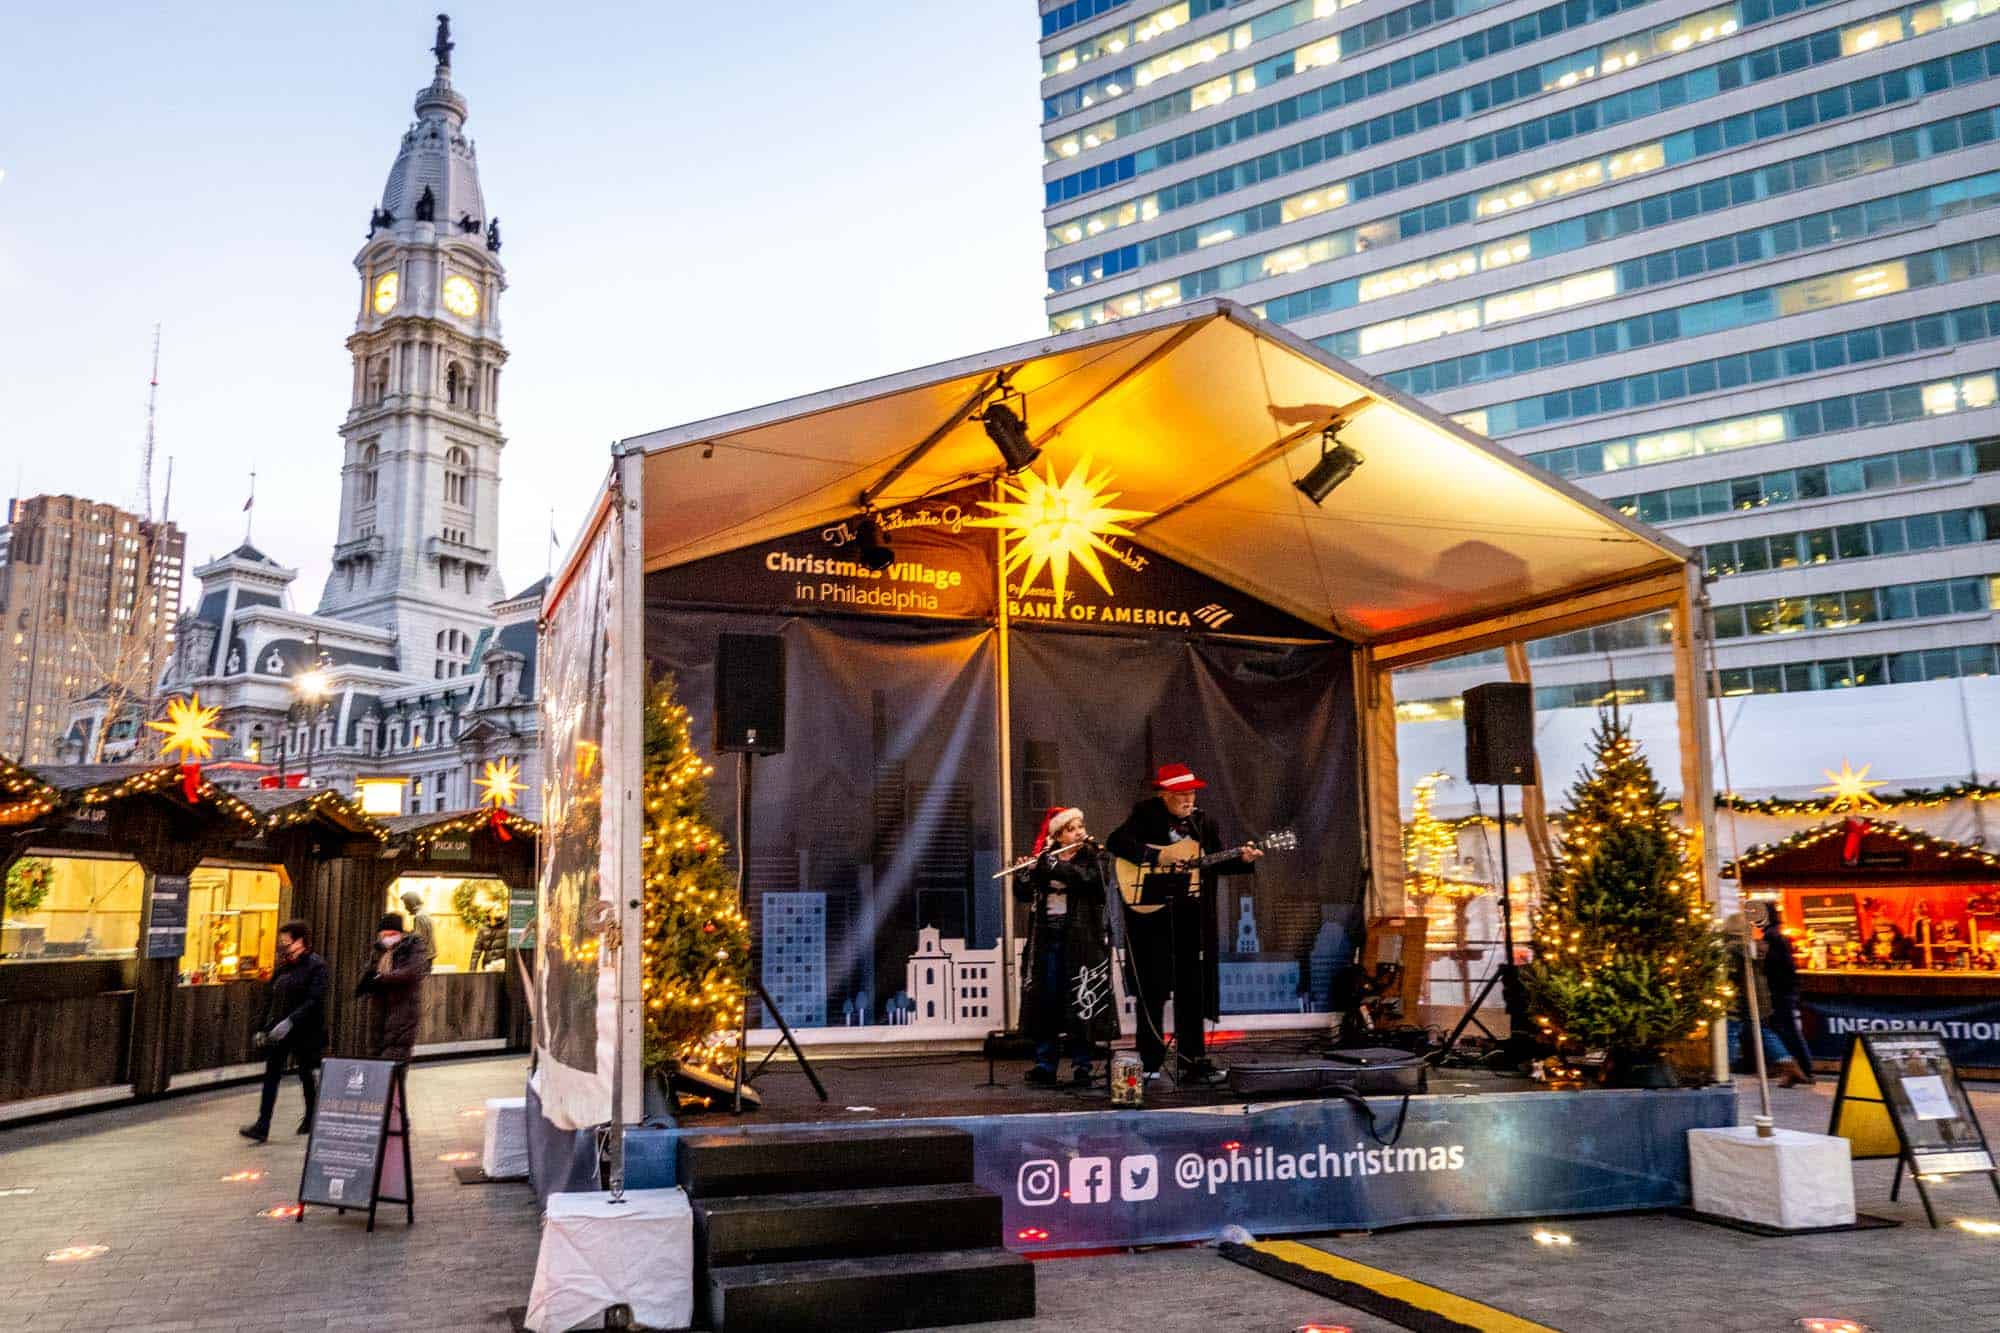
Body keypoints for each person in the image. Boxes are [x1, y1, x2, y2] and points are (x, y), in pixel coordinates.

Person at [1106, 763, 1262, 1084]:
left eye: (1191, 793)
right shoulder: (1145, 815)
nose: (1189, 800)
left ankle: (1193, 1058)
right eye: (1181, 795)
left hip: (1192, 918)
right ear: (1164, 795)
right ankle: (1149, 1059)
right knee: (1154, 987)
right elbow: (1116, 843)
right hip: (1153, 919)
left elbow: (1214, 862)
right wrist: (1155, 857)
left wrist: (1241, 861)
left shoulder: (1203, 823)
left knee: (1193, 988)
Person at [1016, 806, 1120, 1089]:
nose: (1079, 832)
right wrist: (1025, 874)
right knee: (1047, 998)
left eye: (1080, 826)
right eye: (1072, 828)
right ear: (1059, 835)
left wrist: (1055, 868)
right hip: (1047, 935)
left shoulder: (1093, 857)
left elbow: (1091, 881)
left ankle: (1082, 1066)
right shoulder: (1044, 858)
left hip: (1082, 938)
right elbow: (1023, 895)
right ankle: (1045, 1064)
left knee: (1080, 999)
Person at [239, 920, 328, 1142]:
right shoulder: (283, 967)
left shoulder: (317, 967)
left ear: (300, 942)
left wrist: (291, 1021)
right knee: (271, 1075)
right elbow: (270, 1000)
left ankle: (311, 1116)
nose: (283, 945)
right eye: (282, 942)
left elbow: (314, 1000)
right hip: (279, 1032)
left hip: (305, 1030)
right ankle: (263, 1124)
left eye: (287, 941)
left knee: (306, 1073)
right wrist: (262, 1028)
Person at [1754, 901, 1815, 1087]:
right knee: (1785, 1029)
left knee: (1786, 1030)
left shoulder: (1772, 937)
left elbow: (1778, 966)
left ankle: (1802, 1069)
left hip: (1780, 991)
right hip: (1785, 990)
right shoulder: (1775, 935)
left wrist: (1760, 956)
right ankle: (1796, 1070)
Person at [356, 912, 432, 1062]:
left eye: (392, 934)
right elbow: (369, 972)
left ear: (400, 933)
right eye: (384, 935)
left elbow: (411, 972)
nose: (387, 938)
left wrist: (381, 978)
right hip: (379, 1012)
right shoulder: (379, 951)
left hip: (403, 1012)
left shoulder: (413, 946)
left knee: (395, 1062)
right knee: (378, 1061)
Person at [400, 888, 436, 962]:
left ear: (412, 903)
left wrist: (404, 938)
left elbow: (418, 939)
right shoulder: (425, 913)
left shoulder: (419, 916)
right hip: (428, 955)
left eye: (406, 904)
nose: (405, 907)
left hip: (424, 957)